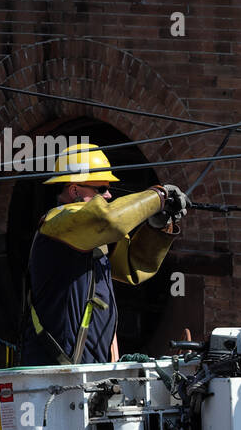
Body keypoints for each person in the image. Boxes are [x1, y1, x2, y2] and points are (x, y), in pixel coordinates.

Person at [20, 142, 189, 366]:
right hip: (55, 367)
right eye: (100, 189)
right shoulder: (57, 221)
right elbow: (110, 220)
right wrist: (158, 196)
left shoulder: (88, 237)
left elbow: (131, 267)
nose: (108, 195)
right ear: (75, 190)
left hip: (84, 366)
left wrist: (157, 226)